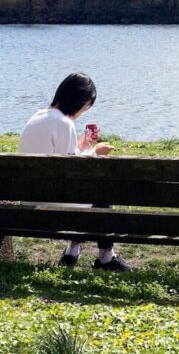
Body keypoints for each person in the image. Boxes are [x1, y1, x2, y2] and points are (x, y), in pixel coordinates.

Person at [18, 72, 130, 272]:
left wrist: (83, 146)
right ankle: (106, 257)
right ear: (79, 101)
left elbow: (63, 157)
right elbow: (71, 171)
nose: (84, 111)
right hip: (54, 204)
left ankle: (73, 251)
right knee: (102, 193)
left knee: (87, 195)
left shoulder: (38, 116)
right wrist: (96, 152)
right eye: (86, 106)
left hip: (30, 202)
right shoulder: (64, 123)